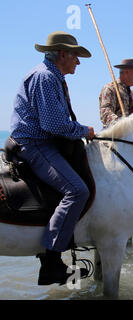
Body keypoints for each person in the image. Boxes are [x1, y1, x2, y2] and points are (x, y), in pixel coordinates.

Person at [9, 31, 95, 285]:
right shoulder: (46, 77)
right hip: (34, 144)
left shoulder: (52, 77)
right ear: (62, 54)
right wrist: (85, 131)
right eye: (75, 56)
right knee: (77, 191)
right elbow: (53, 125)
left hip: (42, 141)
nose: (78, 62)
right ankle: (52, 261)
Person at [99, 58, 133, 127]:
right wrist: (122, 124)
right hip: (114, 135)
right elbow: (105, 113)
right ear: (126, 72)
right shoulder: (110, 89)